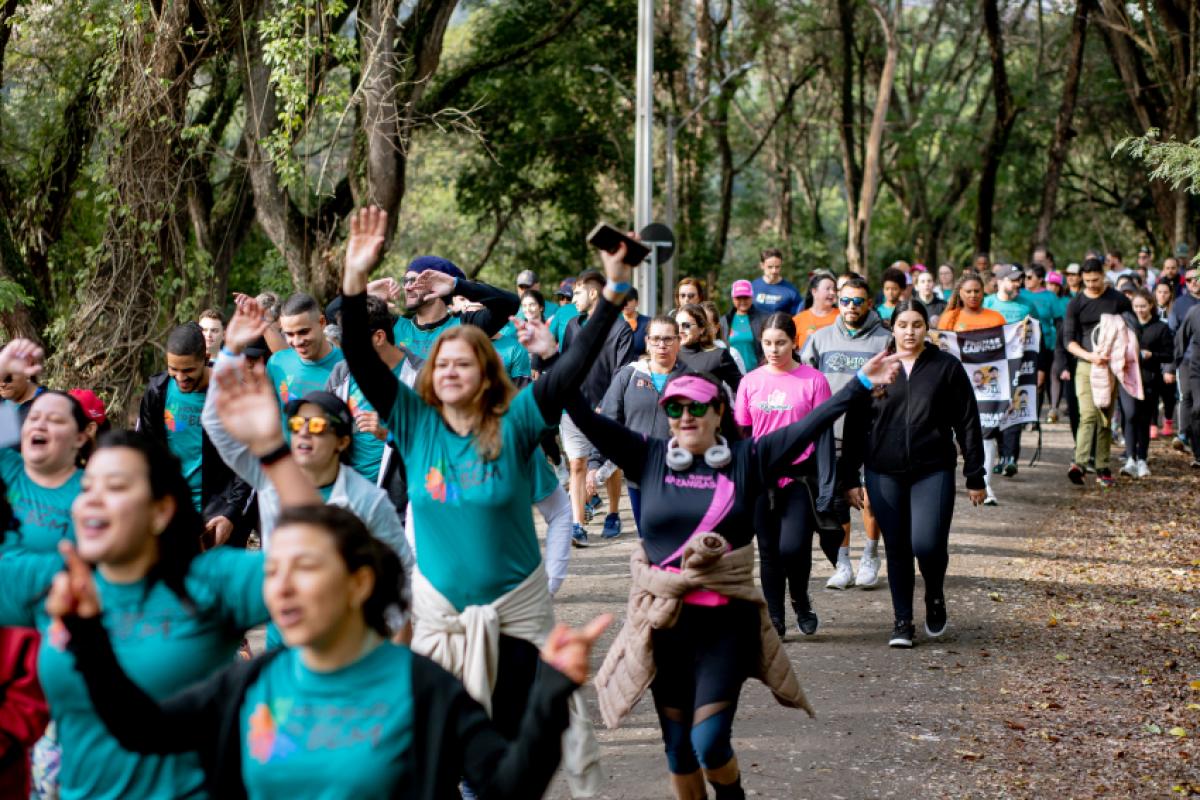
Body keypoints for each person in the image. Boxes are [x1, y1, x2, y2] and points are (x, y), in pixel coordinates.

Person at [52, 497, 610, 800]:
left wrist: (551, 691)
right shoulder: (254, 681)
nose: (283, 587)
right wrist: (88, 634)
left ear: (358, 583)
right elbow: (142, 729)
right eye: (275, 570)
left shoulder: (420, 687)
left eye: (306, 568)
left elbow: (505, 788)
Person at [340, 206, 623, 793]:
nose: (449, 370)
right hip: (440, 625)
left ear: (486, 373)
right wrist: (353, 279)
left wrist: (614, 293)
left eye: (462, 363)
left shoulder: (516, 421)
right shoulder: (414, 423)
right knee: (440, 767)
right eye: (442, 363)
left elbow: (568, 371)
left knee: (506, 773)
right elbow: (361, 358)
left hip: (518, 624)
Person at [568, 344, 899, 799]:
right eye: (675, 408)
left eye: (696, 407)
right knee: (678, 753)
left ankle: (732, 794)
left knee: (708, 743)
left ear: (719, 411)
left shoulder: (750, 459)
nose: (685, 416)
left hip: (726, 626)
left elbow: (811, 424)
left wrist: (861, 384)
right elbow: (584, 416)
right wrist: (555, 358)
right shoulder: (650, 456)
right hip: (665, 625)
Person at [0, 381, 275, 800]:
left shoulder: (211, 580)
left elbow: (325, 571)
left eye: (115, 488)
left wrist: (274, 451)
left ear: (161, 510)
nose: (91, 501)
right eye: (87, 487)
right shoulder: (57, 582)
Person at [205, 297, 410, 563]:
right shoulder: (273, 485)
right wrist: (230, 348)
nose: (303, 434)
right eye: (296, 425)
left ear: (341, 440)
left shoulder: (366, 500)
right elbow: (215, 422)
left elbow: (402, 571)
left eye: (317, 426)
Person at [842, 300, 986, 647]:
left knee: (927, 543)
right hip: (883, 471)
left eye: (917, 324)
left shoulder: (946, 368)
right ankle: (902, 622)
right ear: (892, 327)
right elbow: (855, 425)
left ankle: (934, 593)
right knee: (897, 548)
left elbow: (968, 421)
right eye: (903, 324)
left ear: (927, 328)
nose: (910, 331)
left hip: (932, 470)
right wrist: (848, 476)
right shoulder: (876, 368)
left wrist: (975, 474)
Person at [735, 313, 836, 637]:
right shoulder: (750, 382)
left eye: (781, 343)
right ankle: (775, 617)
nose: (774, 350)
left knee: (793, 547)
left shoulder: (813, 380)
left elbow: (823, 434)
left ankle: (800, 598)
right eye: (767, 343)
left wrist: (827, 484)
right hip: (761, 478)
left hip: (799, 478)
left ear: (795, 342)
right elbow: (743, 434)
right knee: (768, 551)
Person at [800, 274, 891, 589]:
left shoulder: (884, 339)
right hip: (832, 433)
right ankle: (842, 563)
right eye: (845, 300)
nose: (851, 307)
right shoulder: (820, 338)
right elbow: (803, 381)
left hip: (875, 433)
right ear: (837, 301)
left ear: (869, 303)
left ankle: (870, 554)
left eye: (857, 301)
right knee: (838, 500)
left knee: (872, 497)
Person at [137, 323, 252, 548]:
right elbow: (145, 451)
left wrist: (231, 513)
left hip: (217, 513)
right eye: (174, 369)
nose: (180, 378)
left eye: (188, 370)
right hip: (171, 509)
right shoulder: (157, 392)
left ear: (206, 357)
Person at [554, 268, 634, 545]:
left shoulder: (620, 327)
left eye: (576, 292)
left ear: (592, 292)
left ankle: (612, 512)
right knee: (577, 464)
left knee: (611, 465)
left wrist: (607, 406)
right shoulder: (572, 326)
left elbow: (622, 372)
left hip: (606, 412)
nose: (573, 298)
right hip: (573, 409)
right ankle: (577, 524)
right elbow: (565, 365)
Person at [589, 315, 687, 529]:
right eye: (656, 339)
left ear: (679, 341)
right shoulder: (629, 375)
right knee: (647, 536)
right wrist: (595, 462)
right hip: (638, 473)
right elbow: (608, 422)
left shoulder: (690, 379)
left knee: (673, 538)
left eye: (669, 339)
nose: (662, 345)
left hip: (678, 474)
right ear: (647, 341)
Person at [323, 296, 411, 518]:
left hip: (399, 504)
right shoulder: (342, 372)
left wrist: (387, 434)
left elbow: (433, 443)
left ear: (379, 337)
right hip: (349, 499)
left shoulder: (419, 376)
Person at [1062, 258, 1133, 486]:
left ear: (1103, 275)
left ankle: (1103, 466)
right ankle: (1079, 463)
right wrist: (1090, 356)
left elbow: (1131, 330)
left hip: (1111, 366)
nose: (1091, 284)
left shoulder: (1118, 300)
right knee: (1088, 415)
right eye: (1087, 280)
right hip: (1086, 364)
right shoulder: (1076, 303)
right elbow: (1068, 341)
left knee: (1104, 417)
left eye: (1095, 279)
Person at [391, 256, 519, 359]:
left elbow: (510, 303)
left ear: (436, 285)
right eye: (405, 281)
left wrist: (457, 285)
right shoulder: (393, 326)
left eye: (414, 281)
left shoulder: (467, 326)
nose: (407, 287)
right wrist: (370, 292)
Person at [984, 265, 1036, 477]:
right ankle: (997, 456)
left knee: (1014, 411)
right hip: (990, 368)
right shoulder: (987, 303)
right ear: (1000, 280)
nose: (1017, 284)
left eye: (1019, 280)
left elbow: (1037, 335)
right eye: (1013, 280)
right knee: (994, 411)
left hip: (1018, 367)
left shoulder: (1027, 305)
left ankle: (1010, 458)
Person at [1118, 290, 1172, 478]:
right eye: (1136, 306)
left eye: (1143, 306)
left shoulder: (1161, 327)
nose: (1139, 310)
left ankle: (1142, 459)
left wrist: (1152, 355)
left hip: (1150, 378)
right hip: (1127, 378)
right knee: (1130, 415)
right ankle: (1130, 458)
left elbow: (1169, 354)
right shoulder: (1126, 325)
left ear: (1151, 305)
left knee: (1144, 419)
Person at [267, 293, 345, 415]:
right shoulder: (276, 363)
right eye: (289, 334)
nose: (297, 341)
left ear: (322, 322)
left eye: (303, 332)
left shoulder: (349, 366)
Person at [676, 303, 742, 393]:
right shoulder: (669, 355)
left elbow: (743, 391)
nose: (680, 331)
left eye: (686, 325)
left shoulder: (718, 355)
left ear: (701, 329)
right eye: (676, 325)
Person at [1174, 297, 1200, 468]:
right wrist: (1171, 365)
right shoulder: (1195, 312)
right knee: (1198, 409)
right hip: (1197, 370)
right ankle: (1198, 454)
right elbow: (1181, 338)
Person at [724, 280, 765, 371]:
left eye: (746, 297)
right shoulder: (724, 321)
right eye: (739, 298)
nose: (742, 301)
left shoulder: (764, 319)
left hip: (756, 374)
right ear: (733, 298)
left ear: (752, 297)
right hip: (732, 375)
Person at [792, 272, 839, 349]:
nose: (832, 292)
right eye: (828, 289)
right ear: (814, 291)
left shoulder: (842, 316)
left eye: (834, 289)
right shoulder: (798, 319)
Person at [751, 248, 803, 316]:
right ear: (762, 266)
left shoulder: (791, 291)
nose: (774, 271)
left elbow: (799, 318)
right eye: (770, 267)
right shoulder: (752, 287)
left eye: (777, 267)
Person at [623, 287, 651, 359]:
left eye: (629, 299)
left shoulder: (649, 323)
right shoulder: (613, 324)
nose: (625, 303)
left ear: (637, 302)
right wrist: (638, 358)